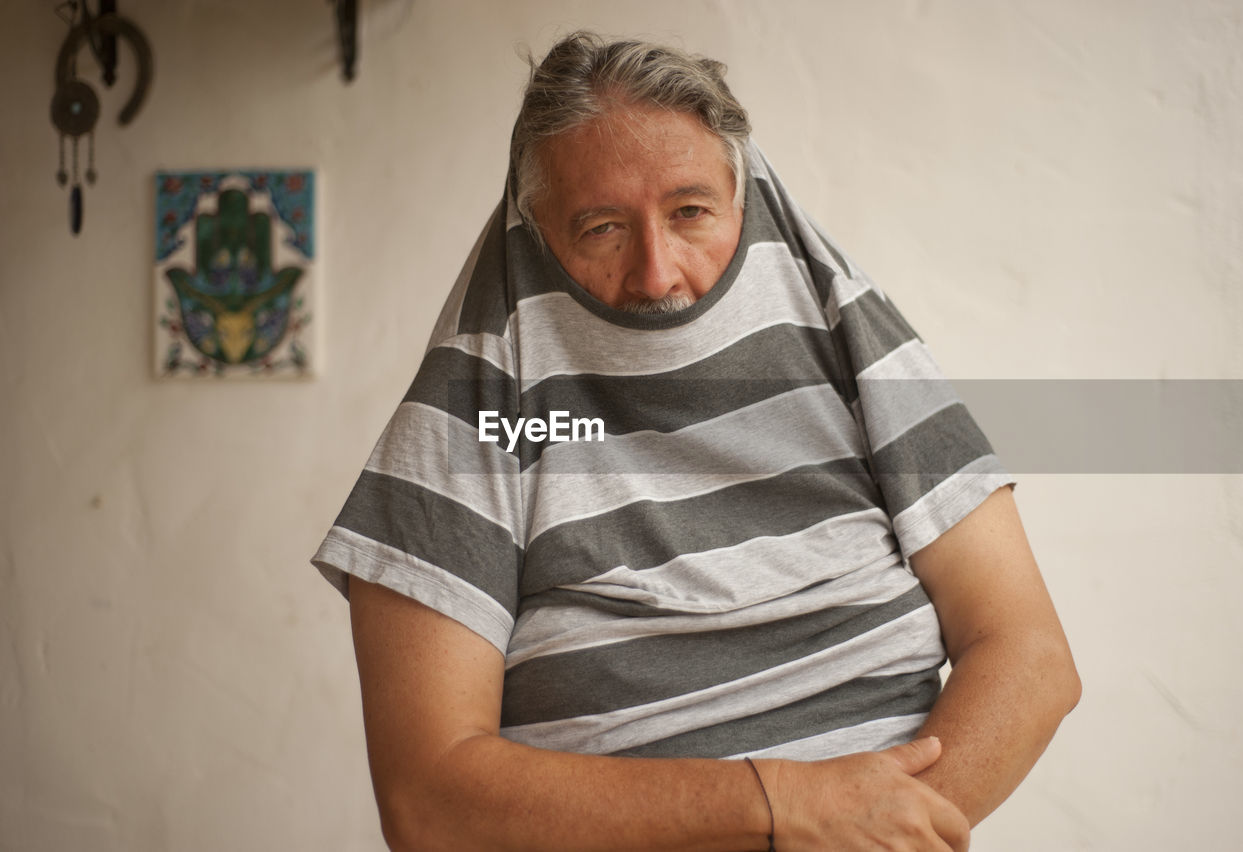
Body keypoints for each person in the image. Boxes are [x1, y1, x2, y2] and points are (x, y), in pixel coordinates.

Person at [313, 31, 1080, 851]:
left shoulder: (853, 357)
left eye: (689, 213)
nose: (656, 272)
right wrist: (780, 806)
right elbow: (429, 800)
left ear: (741, 203)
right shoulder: (491, 426)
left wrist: (883, 832)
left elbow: (1030, 655)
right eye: (603, 227)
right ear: (534, 234)